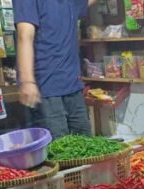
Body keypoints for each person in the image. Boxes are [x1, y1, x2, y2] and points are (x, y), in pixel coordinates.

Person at [14, 0, 96, 137]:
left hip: (73, 87)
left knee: (86, 144)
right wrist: (27, 81)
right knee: (57, 146)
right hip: (46, 90)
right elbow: (25, 36)